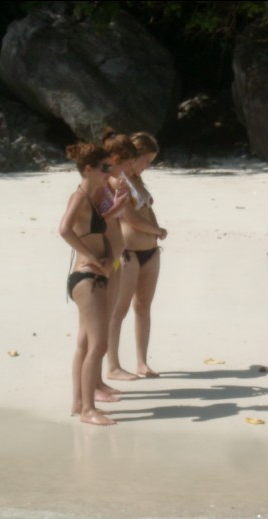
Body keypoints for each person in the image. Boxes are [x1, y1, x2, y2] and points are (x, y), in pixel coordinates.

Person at [59, 142, 126, 426]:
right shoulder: (79, 196)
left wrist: (109, 260)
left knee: (86, 343)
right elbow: (64, 229)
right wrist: (93, 258)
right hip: (86, 278)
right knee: (98, 346)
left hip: (93, 275)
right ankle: (88, 410)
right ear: (88, 169)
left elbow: (93, 230)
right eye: (104, 168)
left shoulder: (92, 198)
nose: (108, 172)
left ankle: (78, 403)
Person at [105, 131, 167, 380]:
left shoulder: (138, 181)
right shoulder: (117, 182)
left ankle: (142, 361)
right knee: (118, 309)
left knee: (143, 306)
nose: (147, 166)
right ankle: (113, 365)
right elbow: (129, 217)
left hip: (150, 251)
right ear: (133, 157)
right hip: (128, 252)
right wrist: (157, 230)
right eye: (146, 160)